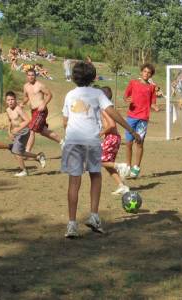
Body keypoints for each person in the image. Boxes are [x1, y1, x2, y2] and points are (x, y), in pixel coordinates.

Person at [62, 62, 141, 238]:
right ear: (92, 77)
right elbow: (112, 113)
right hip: (91, 140)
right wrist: (131, 130)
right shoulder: (98, 93)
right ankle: (94, 216)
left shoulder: (69, 95)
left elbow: (65, 122)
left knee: (74, 181)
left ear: (74, 77)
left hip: (73, 141)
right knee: (95, 176)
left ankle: (72, 225)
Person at [0, 91, 46, 177]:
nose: (10, 101)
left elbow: (28, 120)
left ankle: (24, 171)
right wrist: (9, 132)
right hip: (17, 132)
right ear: (6, 101)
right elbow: (10, 121)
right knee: (20, 152)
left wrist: (18, 128)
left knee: (15, 151)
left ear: (15, 100)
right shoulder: (7, 110)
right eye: (8, 100)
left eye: (12, 99)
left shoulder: (18, 109)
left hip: (24, 132)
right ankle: (38, 156)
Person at [123, 63, 159, 178]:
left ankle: (136, 167)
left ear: (151, 75)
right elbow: (125, 96)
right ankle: (127, 167)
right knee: (128, 143)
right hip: (131, 117)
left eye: (149, 73)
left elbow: (153, 103)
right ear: (141, 72)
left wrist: (155, 107)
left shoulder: (152, 88)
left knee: (139, 143)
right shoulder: (133, 83)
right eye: (144, 71)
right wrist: (127, 99)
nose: (146, 74)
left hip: (143, 119)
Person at [22, 69, 63, 152]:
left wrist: (44, 103)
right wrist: (22, 103)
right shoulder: (25, 86)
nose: (31, 77)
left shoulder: (40, 85)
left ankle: (27, 151)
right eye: (29, 75)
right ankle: (62, 142)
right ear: (27, 76)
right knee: (43, 131)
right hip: (33, 111)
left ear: (35, 76)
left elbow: (49, 95)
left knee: (31, 129)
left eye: (32, 75)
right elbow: (26, 97)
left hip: (41, 111)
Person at [100, 86, 130, 195]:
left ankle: (120, 166)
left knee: (99, 161)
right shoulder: (109, 108)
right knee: (108, 164)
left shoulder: (104, 109)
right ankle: (122, 186)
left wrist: (101, 133)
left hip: (111, 138)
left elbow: (111, 125)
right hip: (114, 138)